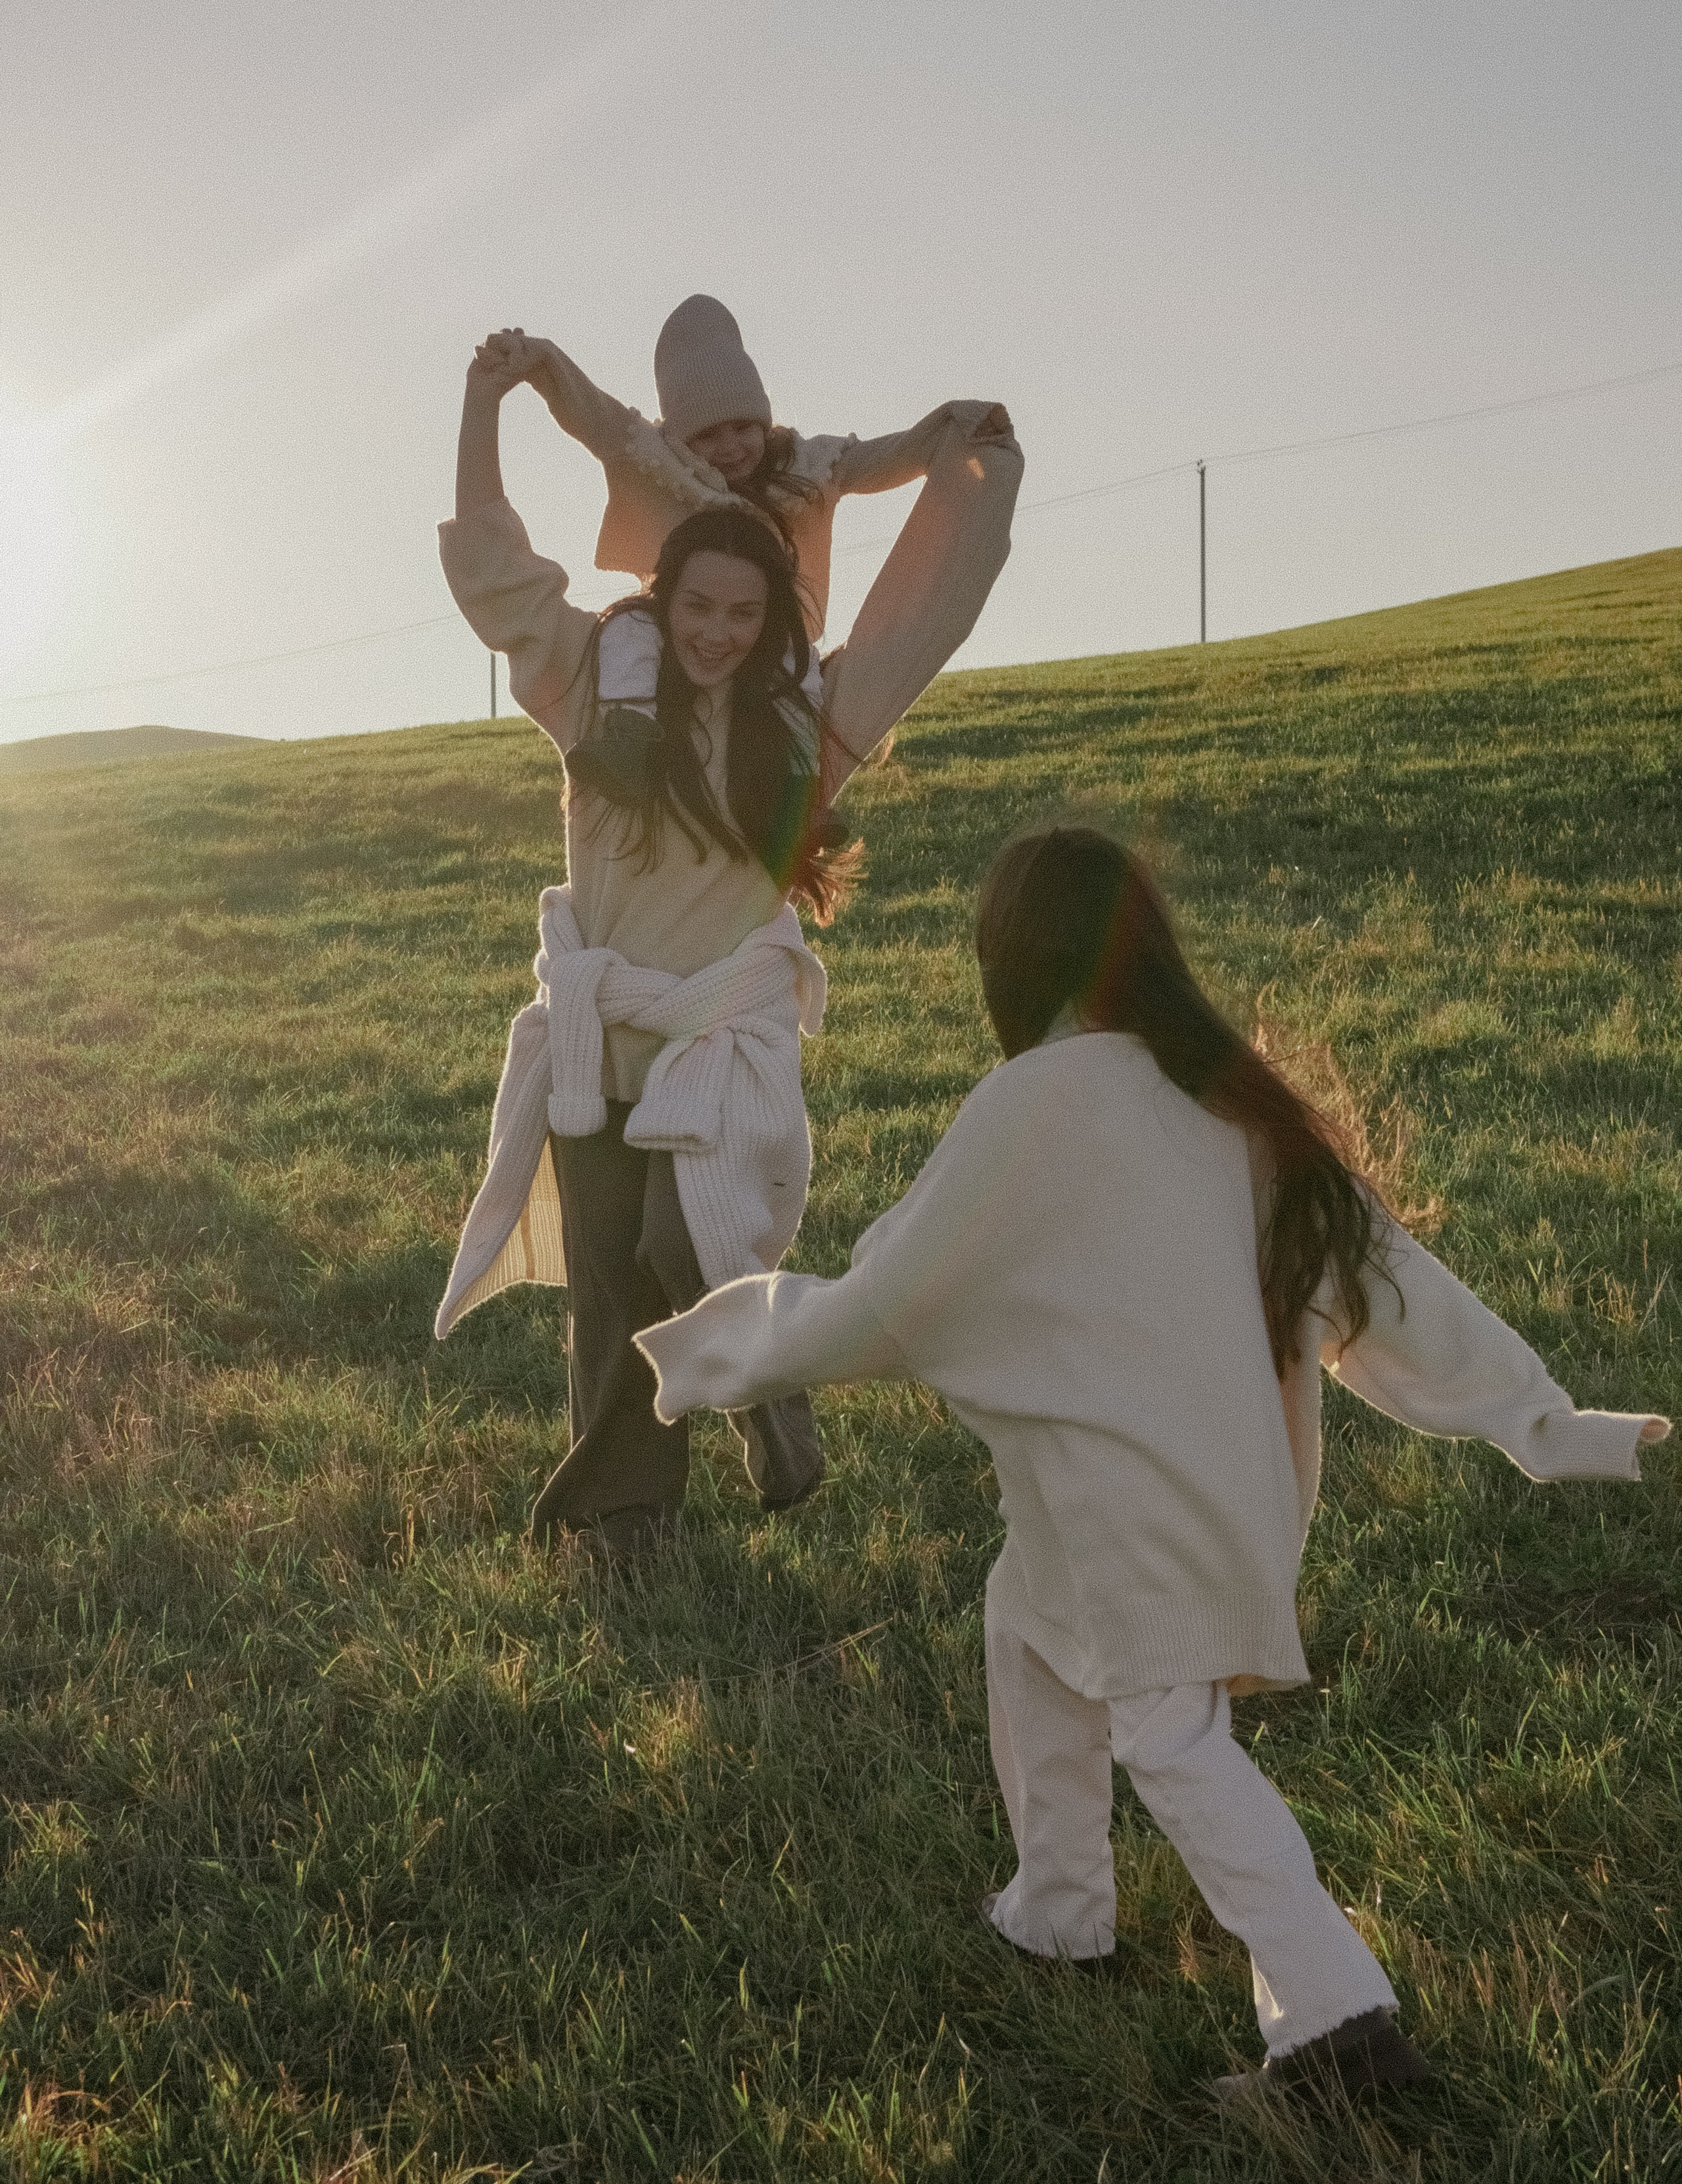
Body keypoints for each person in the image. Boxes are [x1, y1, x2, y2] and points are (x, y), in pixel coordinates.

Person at [635, 825, 1670, 2104]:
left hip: (1133, 1511)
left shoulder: (1031, 1102)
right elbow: (1390, 1282)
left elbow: (889, 1297)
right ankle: (1058, 1910)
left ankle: (1344, 2034)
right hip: (1199, 1499)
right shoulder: (1228, 1097)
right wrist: (1544, 1419)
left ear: (1010, 963)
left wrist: (712, 1354)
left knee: (1171, 1739)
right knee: (1023, 1630)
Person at [433, 323, 1022, 1560]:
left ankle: (751, 1392)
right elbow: (495, 576)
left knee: (677, 1238)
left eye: (742, 614)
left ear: (769, 622)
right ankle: (636, 1514)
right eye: (697, 605)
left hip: (716, 1035)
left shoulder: (807, 727)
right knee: (605, 1288)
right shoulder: (600, 685)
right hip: (600, 1039)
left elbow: (922, 618)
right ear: (666, 597)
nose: (714, 632)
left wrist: (978, 486)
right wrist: (485, 409)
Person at [480, 295, 1000, 805]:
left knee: (801, 676)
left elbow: (884, 458)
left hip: (773, 627)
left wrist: (953, 424)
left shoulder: (806, 465)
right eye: (708, 435)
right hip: (678, 622)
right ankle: (631, 735)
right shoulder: (658, 461)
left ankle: (800, 788)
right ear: (683, 439)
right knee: (626, 629)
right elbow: (589, 412)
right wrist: (538, 361)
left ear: (765, 422)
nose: (730, 446)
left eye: (743, 427)